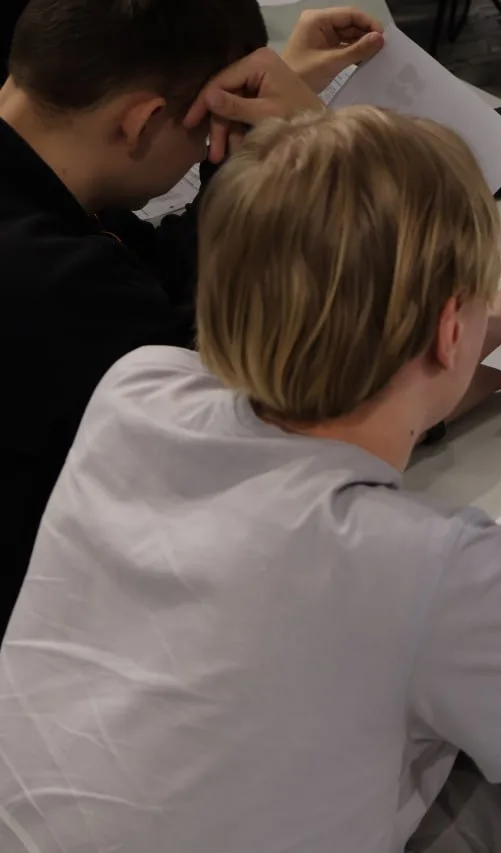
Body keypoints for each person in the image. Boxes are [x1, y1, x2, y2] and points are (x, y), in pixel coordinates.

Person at [0, 106, 501, 853]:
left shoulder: (138, 387)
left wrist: (456, 365)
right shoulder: (423, 564)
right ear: (452, 327)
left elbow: (305, 411)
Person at [0, 0, 385, 624]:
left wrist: (249, 153)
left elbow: (157, 270)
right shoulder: (63, 286)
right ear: (143, 119)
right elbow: (263, 438)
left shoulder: (50, 204)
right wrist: (324, 161)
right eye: (207, 127)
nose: (207, 142)